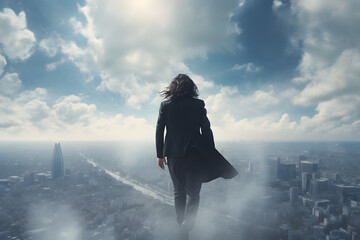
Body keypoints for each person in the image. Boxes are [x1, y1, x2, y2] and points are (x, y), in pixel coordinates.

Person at [155, 74, 237, 240]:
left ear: (172, 87)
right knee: (194, 194)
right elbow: (206, 129)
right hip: (195, 156)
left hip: (173, 156)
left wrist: (160, 155)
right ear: (191, 88)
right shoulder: (198, 104)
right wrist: (210, 152)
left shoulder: (165, 105)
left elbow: (159, 130)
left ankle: (181, 227)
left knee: (178, 192)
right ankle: (188, 224)